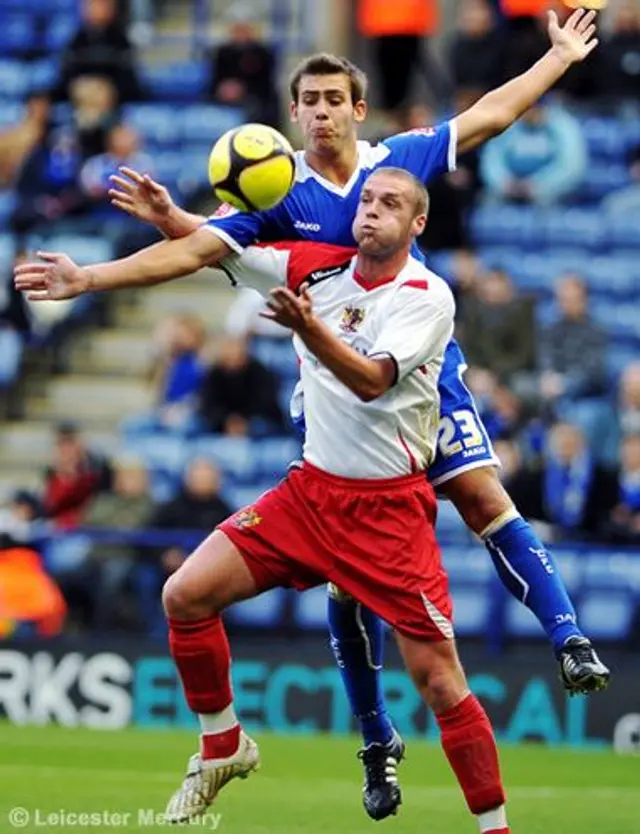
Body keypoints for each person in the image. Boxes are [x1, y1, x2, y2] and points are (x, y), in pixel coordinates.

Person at [15, 10, 608, 822]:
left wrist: (558, 58)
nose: (323, 111)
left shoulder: (396, 170)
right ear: (293, 113)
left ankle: (567, 637)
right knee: (326, 590)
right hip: (332, 427)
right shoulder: (275, 188)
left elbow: (492, 114)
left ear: (359, 111)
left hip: (413, 378)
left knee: (479, 501)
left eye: (336, 97)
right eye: (310, 100)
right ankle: (367, 743)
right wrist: (104, 269)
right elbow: (211, 252)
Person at [19, 166, 514, 832]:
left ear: (417, 224)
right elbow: (212, 249)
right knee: (184, 595)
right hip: (309, 497)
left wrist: (308, 330)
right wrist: (98, 270)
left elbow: (371, 380)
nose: (371, 212)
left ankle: (495, 827)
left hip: (386, 514)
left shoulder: (425, 296)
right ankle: (222, 744)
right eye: (366, 200)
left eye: (390, 204)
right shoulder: (311, 266)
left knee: (440, 684)